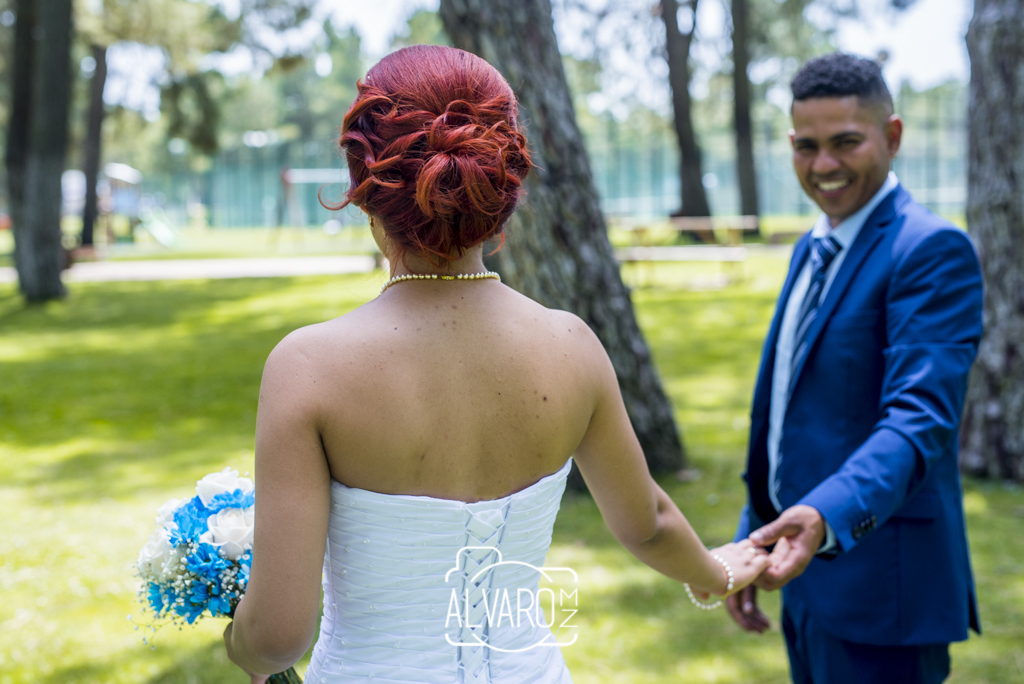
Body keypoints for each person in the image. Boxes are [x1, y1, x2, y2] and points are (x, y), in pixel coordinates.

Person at [222, 44, 769, 683]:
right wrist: (719, 571)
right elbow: (645, 522)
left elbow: (279, 636)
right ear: (502, 189)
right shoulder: (572, 346)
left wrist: (240, 640)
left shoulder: (307, 366)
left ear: (365, 188)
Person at [729, 52, 983, 683]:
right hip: (803, 575)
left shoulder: (930, 250)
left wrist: (824, 519)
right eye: (806, 146)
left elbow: (918, 420)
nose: (824, 166)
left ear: (891, 136)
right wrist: (755, 529)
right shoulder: (810, 247)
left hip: (884, 592)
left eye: (846, 142)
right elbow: (791, 406)